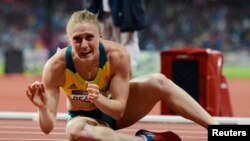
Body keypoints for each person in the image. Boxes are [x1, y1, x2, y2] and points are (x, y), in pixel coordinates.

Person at [26, 10, 219, 141]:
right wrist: (43, 108)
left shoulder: (117, 55)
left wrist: (99, 99)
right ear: (68, 40)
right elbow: (47, 127)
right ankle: (147, 139)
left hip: (113, 110)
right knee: (74, 131)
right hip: (82, 117)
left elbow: (118, 110)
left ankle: (218, 130)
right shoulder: (55, 66)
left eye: (89, 37)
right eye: (77, 39)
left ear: (100, 37)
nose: (84, 45)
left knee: (158, 81)